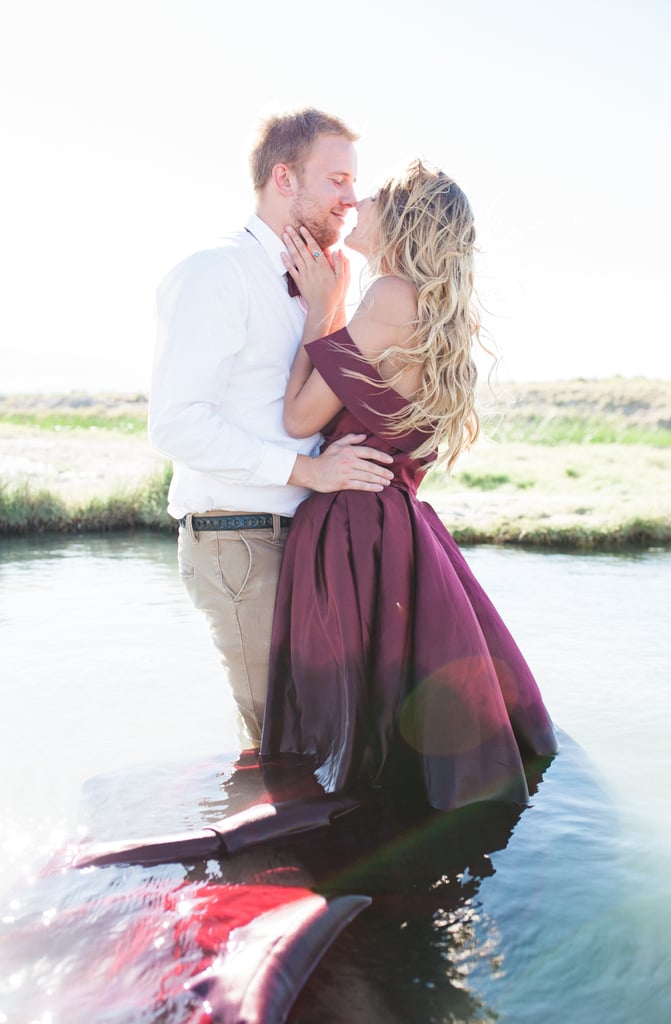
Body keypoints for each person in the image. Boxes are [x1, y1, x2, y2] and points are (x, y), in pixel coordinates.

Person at [260, 160, 558, 811]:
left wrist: (321, 310)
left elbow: (296, 418)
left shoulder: (390, 295)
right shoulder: (424, 309)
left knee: (346, 727)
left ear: (401, 220)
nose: (353, 202)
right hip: (396, 528)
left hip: (351, 531)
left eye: (370, 195)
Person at [148, 109, 394, 748]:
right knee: (280, 746)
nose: (351, 198)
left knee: (316, 740)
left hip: (305, 543)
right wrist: (307, 471)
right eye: (337, 179)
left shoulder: (325, 285)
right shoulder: (217, 272)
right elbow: (176, 424)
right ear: (285, 179)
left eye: (354, 182)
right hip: (239, 542)